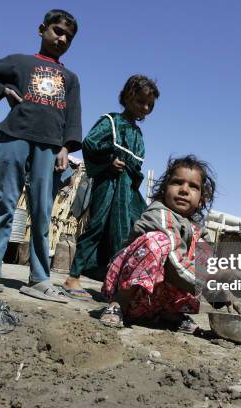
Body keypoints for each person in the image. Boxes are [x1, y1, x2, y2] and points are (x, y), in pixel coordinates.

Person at [0, 9, 81, 303]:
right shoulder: (20, 62)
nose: (62, 38)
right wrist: (3, 89)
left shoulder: (70, 78)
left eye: (68, 35)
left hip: (50, 145)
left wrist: (66, 147)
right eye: (57, 31)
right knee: (3, 201)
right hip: (15, 135)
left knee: (43, 210)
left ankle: (39, 279)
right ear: (42, 29)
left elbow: (73, 116)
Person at [99, 155, 241, 332]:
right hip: (133, 297)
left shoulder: (198, 231)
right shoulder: (158, 215)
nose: (184, 190)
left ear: (202, 199)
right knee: (158, 241)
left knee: (203, 254)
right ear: (164, 189)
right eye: (177, 182)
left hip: (154, 306)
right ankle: (118, 303)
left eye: (193, 186)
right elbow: (175, 263)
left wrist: (222, 294)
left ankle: (171, 314)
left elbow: (205, 270)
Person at [61, 75, 159, 299]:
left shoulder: (138, 134)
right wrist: (109, 161)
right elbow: (90, 143)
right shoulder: (111, 121)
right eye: (140, 101)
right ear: (127, 97)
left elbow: (137, 167)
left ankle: (112, 283)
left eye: (150, 105)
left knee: (126, 234)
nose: (144, 108)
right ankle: (72, 278)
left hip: (127, 193)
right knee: (97, 227)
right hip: (108, 185)